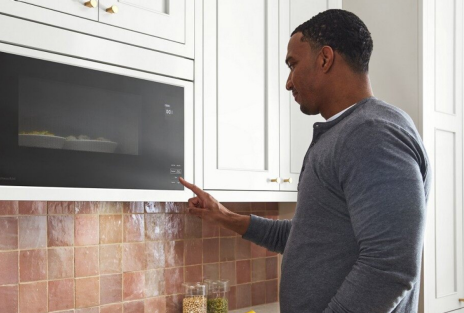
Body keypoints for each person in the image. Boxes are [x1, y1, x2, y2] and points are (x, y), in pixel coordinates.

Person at [180, 9, 431, 313]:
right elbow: (307, 237)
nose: (288, 82)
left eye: (293, 65)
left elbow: (390, 267)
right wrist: (224, 215)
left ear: (325, 59)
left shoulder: (371, 134)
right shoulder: (348, 132)